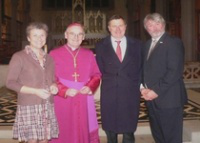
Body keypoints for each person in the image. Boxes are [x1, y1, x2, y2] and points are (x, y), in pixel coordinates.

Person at [6, 22, 59, 143]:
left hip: (47, 104)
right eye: (35, 35)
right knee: (33, 140)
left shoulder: (50, 58)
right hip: (29, 105)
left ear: (46, 37)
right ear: (28, 38)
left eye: (42, 35)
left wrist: (53, 86)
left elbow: (52, 80)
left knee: (45, 139)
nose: (39, 39)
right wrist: (36, 91)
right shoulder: (19, 57)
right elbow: (10, 82)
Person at [49, 23, 101, 143]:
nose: (76, 37)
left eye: (79, 34)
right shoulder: (54, 54)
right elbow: (50, 78)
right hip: (63, 99)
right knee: (64, 127)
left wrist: (89, 87)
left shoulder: (88, 54)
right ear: (66, 35)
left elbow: (96, 75)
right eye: (72, 33)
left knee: (83, 126)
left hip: (83, 98)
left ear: (83, 37)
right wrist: (64, 90)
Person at [141, 13, 188, 143]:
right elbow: (144, 70)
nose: (154, 27)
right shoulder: (146, 45)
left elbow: (174, 72)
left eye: (157, 23)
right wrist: (142, 89)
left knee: (171, 138)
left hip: (169, 100)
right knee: (159, 136)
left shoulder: (173, 42)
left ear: (163, 25)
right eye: (150, 25)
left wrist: (155, 91)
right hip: (151, 100)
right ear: (146, 28)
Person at [95, 15, 142, 143]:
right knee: (110, 124)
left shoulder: (137, 44)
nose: (117, 29)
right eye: (114, 26)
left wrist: (142, 87)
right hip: (110, 91)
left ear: (125, 27)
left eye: (120, 25)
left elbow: (141, 67)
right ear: (109, 28)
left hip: (130, 91)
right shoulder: (100, 46)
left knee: (129, 125)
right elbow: (100, 68)